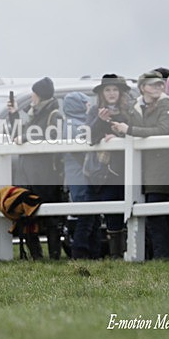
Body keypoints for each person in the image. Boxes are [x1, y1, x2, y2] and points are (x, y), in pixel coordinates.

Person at [111, 71, 169, 259]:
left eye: (159, 84)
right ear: (143, 88)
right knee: (154, 216)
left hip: (162, 168)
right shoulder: (137, 107)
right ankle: (162, 255)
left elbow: (164, 130)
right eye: (153, 85)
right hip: (146, 169)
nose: (158, 87)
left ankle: (164, 256)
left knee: (159, 215)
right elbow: (133, 128)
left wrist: (130, 130)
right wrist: (118, 132)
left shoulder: (165, 104)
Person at [6, 77, 64, 260]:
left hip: (47, 174)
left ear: (39, 95)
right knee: (28, 215)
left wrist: (27, 138)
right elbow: (16, 134)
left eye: (34, 93)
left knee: (51, 218)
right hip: (29, 173)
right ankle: (36, 255)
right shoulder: (35, 113)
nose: (32, 97)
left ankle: (54, 256)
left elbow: (52, 135)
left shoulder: (54, 114)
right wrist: (14, 114)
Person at [86, 74, 131, 258]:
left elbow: (136, 130)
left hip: (127, 167)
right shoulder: (95, 111)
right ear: (102, 93)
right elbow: (89, 138)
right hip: (104, 170)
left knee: (130, 208)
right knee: (111, 211)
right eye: (108, 90)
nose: (112, 93)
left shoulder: (128, 110)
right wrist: (100, 120)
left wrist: (119, 136)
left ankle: (132, 249)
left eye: (115, 89)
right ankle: (115, 253)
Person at [62, 91, 97, 259]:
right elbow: (81, 152)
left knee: (91, 214)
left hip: (76, 174)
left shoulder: (73, 123)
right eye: (86, 103)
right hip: (81, 175)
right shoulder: (75, 125)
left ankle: (92, 250)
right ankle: (80, 249)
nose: (89, 106)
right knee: (87, 213)